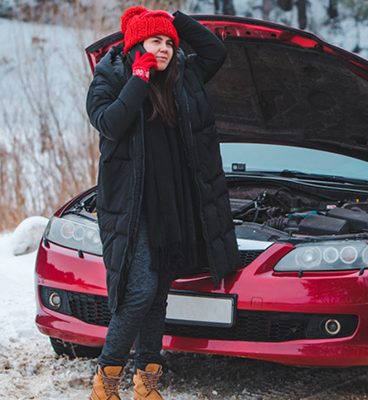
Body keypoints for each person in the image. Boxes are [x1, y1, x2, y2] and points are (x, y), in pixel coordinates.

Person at [86, 6, 241, 400]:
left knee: (157, 292)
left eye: (170, 43)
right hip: (132, 205)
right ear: (136, 44)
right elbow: (109, 123)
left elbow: (216, 53)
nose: (166, 48)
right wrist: (137, 78)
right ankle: (106, 382)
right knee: (138, 290)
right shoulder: (111, 75)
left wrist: (176, 19)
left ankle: (146, 384)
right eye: (156, 41)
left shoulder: (182, 78)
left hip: (174, 204)